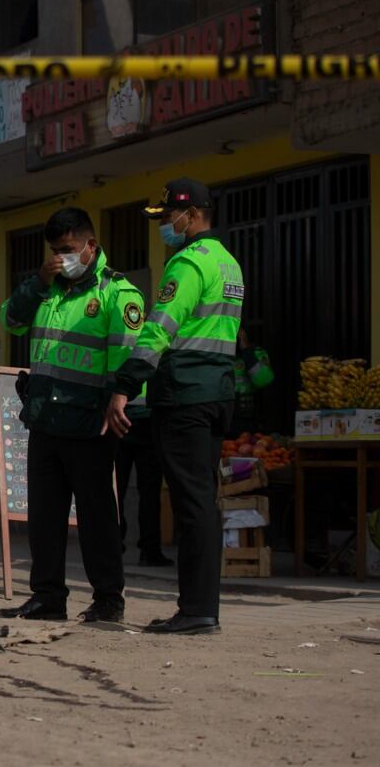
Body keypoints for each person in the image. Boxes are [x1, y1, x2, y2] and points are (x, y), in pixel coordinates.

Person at [105, 177, 244, 636]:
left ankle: (197, 610)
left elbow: (158, 331)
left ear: (192, 214)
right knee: (203, 499)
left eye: (169, 215)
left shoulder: (187, 264)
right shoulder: (229, 263)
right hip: (217, 393)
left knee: (192, 504)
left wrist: (125, 386)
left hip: (184, 394)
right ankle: (202, 606)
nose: (166, 223)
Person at [0, 208, 143, 623]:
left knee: (96, 516)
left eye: (69, 249)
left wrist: (118, 401)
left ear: (90, 246)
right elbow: (10, 319)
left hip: (89, 421)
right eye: (55, 251)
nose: (61, 258)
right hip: (44, 418)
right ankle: (48, 597)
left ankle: (108, 600)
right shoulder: (48, 289)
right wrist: (39, 281)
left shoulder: (118, 293)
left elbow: (126, 357)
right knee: (44, 516)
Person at [115, 386, 173, 568]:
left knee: (117, 488)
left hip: (120, 414)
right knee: (149, 491)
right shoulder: (155, 355)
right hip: (148, 418)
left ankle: (114, 545)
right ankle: (150, 550)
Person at [230, 326, 274, 437]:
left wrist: (246, 350)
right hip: (225, 417)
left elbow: (263, 380)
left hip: (249, 418)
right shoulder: (221, 355)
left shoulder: (257, 353)